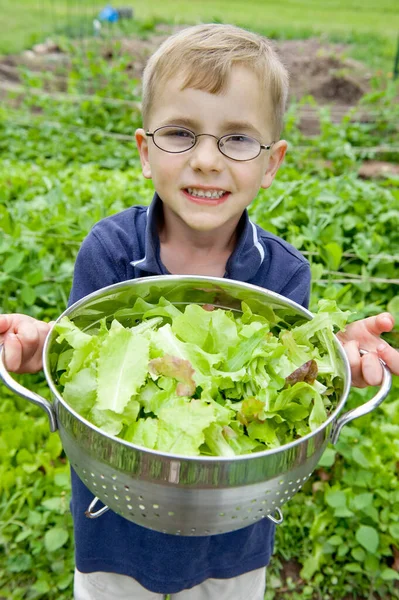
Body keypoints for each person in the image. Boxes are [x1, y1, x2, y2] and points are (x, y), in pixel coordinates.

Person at [0, 23, 398, 600]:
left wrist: (331, 357)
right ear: (143, 151)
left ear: (272, 163)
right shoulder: (110, 253)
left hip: (233, 539)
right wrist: (44, 348)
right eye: (181, 134)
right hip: (114, 528)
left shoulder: (285, 276)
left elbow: (287, 391)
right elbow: (80, 369)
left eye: (238, 139)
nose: (207, 160)